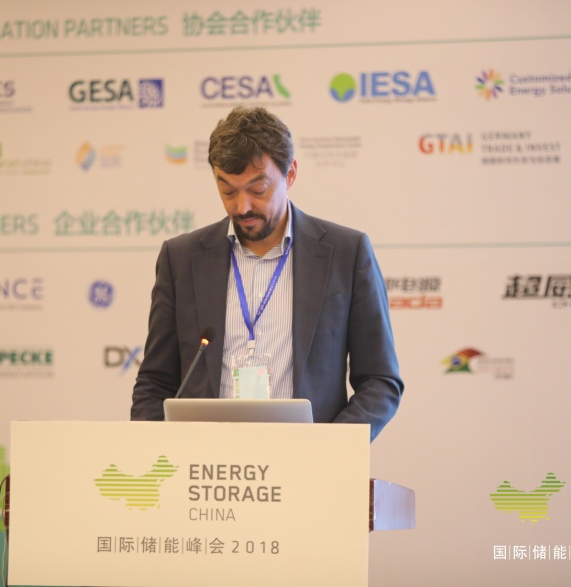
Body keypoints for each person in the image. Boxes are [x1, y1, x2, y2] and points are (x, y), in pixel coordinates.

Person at [131, 106, 403, 441]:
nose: (242, 206)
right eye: (228, 191)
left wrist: (331, 449)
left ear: (290, 174)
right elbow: (155, 383)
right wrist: (155, 450)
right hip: (203, 461)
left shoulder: (346, 253)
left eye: (258, 189)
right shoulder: (181, 259)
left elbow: (380, 381)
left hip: (305, 459)